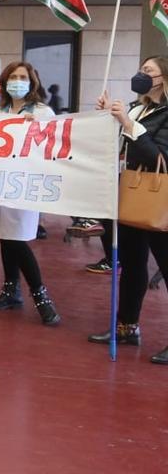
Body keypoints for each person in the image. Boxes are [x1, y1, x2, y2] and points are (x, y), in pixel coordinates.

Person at [89, 56, 168, 364]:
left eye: (148, 71)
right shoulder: (138, 108)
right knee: (133, 265)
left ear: (162, 78)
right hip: (131, 194)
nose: (141, 75)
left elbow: (157, 156)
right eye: (141, 69)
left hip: (156, 198)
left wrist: (127, 123)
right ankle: (126, 326)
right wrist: (107, 119)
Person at [0, 62, 60, 325]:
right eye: (13, 77)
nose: (18, 81)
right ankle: (11, 290)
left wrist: (38, 129)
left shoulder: (43, 112)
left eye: (23, 77)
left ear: (32, 82)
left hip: (23, 184)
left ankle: (41, 296)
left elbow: (55, 146)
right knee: (4, 235)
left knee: (17, 238)